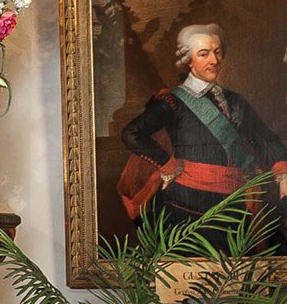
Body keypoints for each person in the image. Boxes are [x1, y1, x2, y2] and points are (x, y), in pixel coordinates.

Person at [118, 23, 287, 229]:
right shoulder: (172, 101)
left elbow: (264, 138)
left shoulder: (235, 101)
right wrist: (167, 164)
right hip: (187, 203)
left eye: (217, 52)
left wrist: (283, 175)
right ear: (188, 60)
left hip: (234, 203)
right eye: (204, 54)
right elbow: (132, 133)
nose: (214, 61)